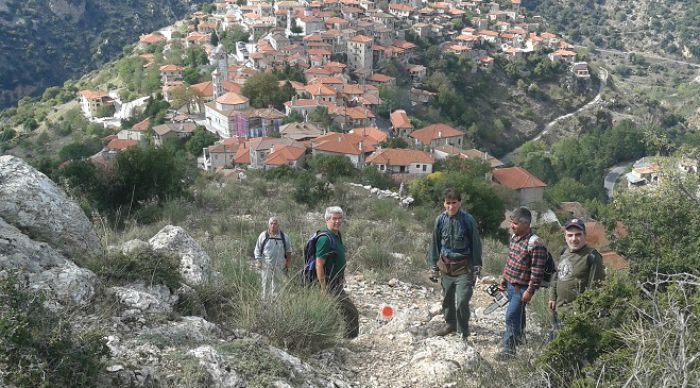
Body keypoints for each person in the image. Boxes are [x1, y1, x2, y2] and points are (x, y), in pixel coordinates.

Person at [428, 188, 482, 341]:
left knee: (463, 300)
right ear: (444, 204)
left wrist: (476, 267)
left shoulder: (468, 220)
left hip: (464, 267)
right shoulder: (440, 220)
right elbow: (434, 244)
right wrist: (433, 267)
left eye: (454, 203)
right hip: (446, 266)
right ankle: (450, 323)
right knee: (447, 299)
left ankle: (463, 331)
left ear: (460, 203)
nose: (451, 207)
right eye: (448, 203)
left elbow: (476, 244)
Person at [498, 207, 547, 359]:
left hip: (522, 288)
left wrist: (530, 291)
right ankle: (519, 339)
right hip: (512, 285)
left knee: (511, 316)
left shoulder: (535, 243)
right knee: (519, 314)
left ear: (526, 224)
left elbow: (537, 270)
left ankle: (509, 350)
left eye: (515, 223)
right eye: (511, 222)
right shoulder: (514, 238)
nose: (512, 226)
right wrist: (504, 278)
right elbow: (511, 260)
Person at [548, 218, 605, 336]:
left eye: (578, 235)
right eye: (570, 235)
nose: (574, 239)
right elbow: (557, 276)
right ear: (565, 236)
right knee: (556, 349)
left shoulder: (592, 256)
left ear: (585, 235)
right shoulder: (564, 252)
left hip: (576, 316)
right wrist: (552, 297)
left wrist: (582, 313)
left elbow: (595, 289)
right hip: (559, 311)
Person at [316, 206, 359, 339]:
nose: (337, 221)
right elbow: (319, 265)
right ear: (327, 220)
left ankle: (334, 338)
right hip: (329, 283)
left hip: (336, 282)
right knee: (351, 312)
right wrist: (323, 288)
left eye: (340, 219)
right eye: (334, 219)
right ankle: (346, 340)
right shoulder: (325, 239)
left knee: (337, 312)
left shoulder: (336, 235)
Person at [253, 216, 292, 299]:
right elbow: (257, 250)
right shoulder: (263, 236)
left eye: (275, 224)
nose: (273, 225)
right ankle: (265, 304)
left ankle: (276, 304)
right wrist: (258, 261)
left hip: (279, 265)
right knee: (265, 284)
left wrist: (288, 263)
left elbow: (289, 251)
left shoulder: (284, 237)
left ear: (278, 225)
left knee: (277, 285)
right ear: (268, 225)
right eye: (271, 223)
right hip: (266, 265)